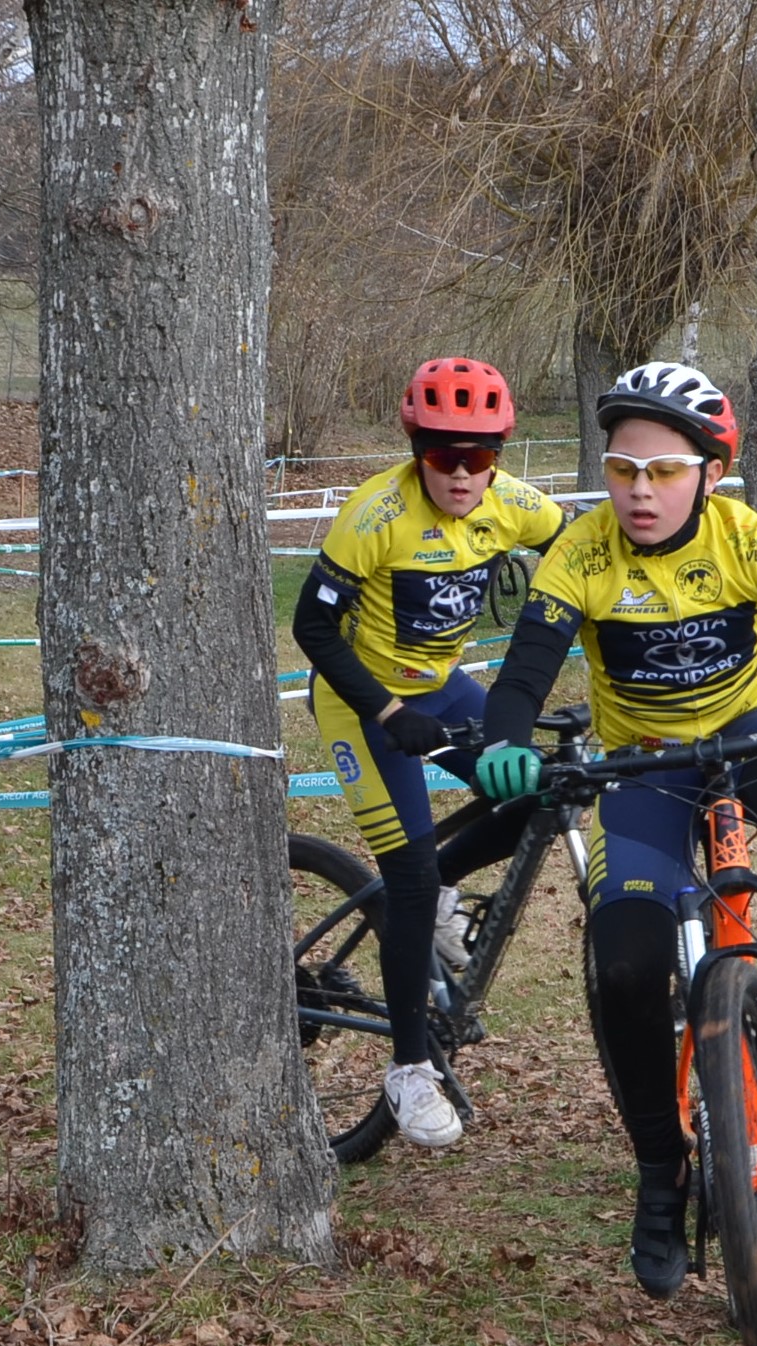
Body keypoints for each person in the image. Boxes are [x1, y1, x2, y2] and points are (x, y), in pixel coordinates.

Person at [468, 362, 757, 1297]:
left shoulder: (742, 535)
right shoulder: (583, 555)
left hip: (744, 733)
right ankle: (659, 1168)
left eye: (664, 471)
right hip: (642, 761)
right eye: (622, 470)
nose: (640, 491)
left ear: (709, 474)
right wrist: (505, 741)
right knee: (628, 961)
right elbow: (525, 669)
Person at [291, 357, 565, 1149]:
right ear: (416, 449)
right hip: (358, 703)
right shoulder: (375, 514)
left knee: (537, 793)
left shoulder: (512, 504)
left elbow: (587, 553)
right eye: (443, 454)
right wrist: (384, 708)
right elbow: (312, 628)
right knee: (406, 871)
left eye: (478, 456)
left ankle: (441, 891)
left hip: (443, 686)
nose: (460, 472)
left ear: (499, 458)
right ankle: (410, 1069)